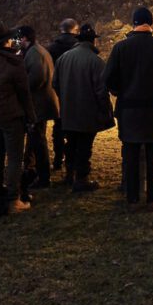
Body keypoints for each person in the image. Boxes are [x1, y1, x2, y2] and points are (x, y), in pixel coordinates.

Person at [105, 6, 153, 207]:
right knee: (152, 154)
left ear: (134, 23)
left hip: (129, 109)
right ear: (151, 23)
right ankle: (152, 198)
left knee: (130, 153)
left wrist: (119, 89)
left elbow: (108, 78)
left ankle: (132, 197)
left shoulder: (121, 48)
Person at [0, 22, 35, 210]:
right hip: (11, 114)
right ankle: (13, 198)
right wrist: (31, 116)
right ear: (5, 41)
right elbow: (24, 93)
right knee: (15, 157)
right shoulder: (14, 63)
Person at [54, 22, 112, 193]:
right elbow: (101, 91)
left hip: (68, 111)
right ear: (93, 41)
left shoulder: (63, 58)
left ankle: (69, 175)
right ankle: (81, 179)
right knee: (84, 146)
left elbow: (55, 83)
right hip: (87, 112)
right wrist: (105, 110)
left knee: (70, 143)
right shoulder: (96, 61)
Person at [20, 25, 57, 190]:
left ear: (25, 38)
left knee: (38, 141)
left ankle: (43, 177)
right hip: (42, 102)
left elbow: (37, 78)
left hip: (39, 103)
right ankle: (34, 171)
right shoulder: (37, 51)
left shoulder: (34, 53)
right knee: (36, 139)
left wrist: (21, 87)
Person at [46, 18, 80, 170]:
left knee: (58, 127)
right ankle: (72, 162)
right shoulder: (78, 46)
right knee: (75, 129)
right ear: (75, 29)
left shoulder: (52, 47)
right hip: (76, 91)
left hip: (57, 90)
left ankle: (58, 159)